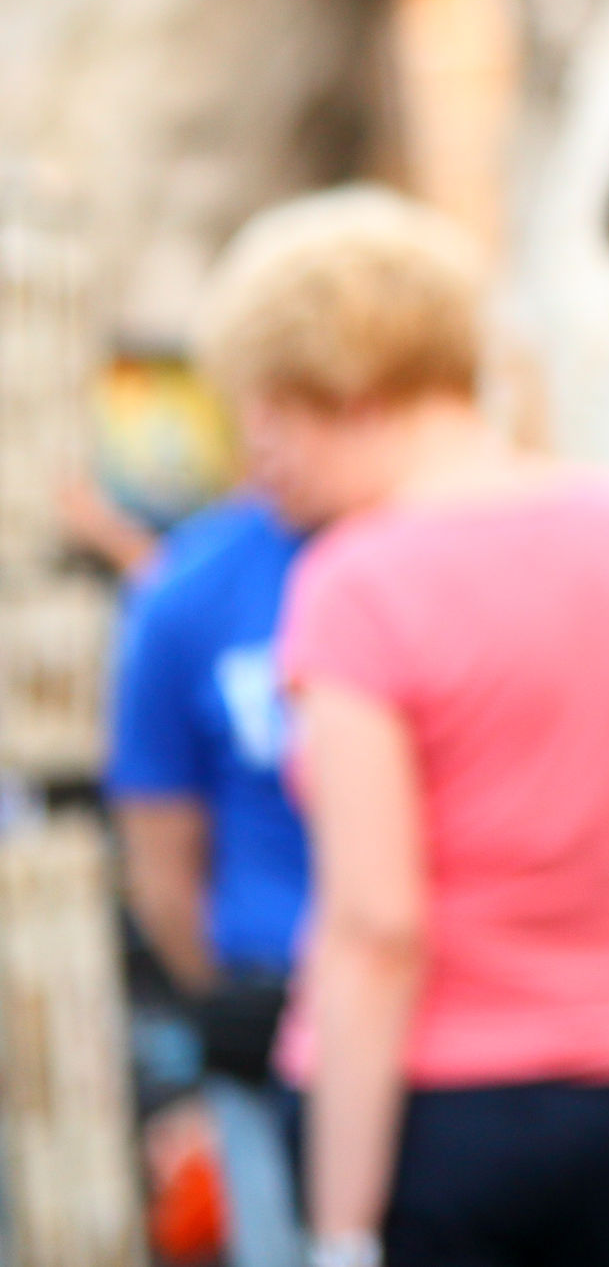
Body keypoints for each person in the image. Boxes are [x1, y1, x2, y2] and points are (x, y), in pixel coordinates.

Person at [207, 186, 609, 1267]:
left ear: (347, 385)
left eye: (269, 411)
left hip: (426, 1118)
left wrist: (344, 1232)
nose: (259, 459)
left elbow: (375, 929)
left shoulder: (354, 583)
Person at [107, 481, 315, 1267]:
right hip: (266, 998)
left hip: (459, 1018)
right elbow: (158, 856)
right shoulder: (195, 585)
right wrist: (225, 993)